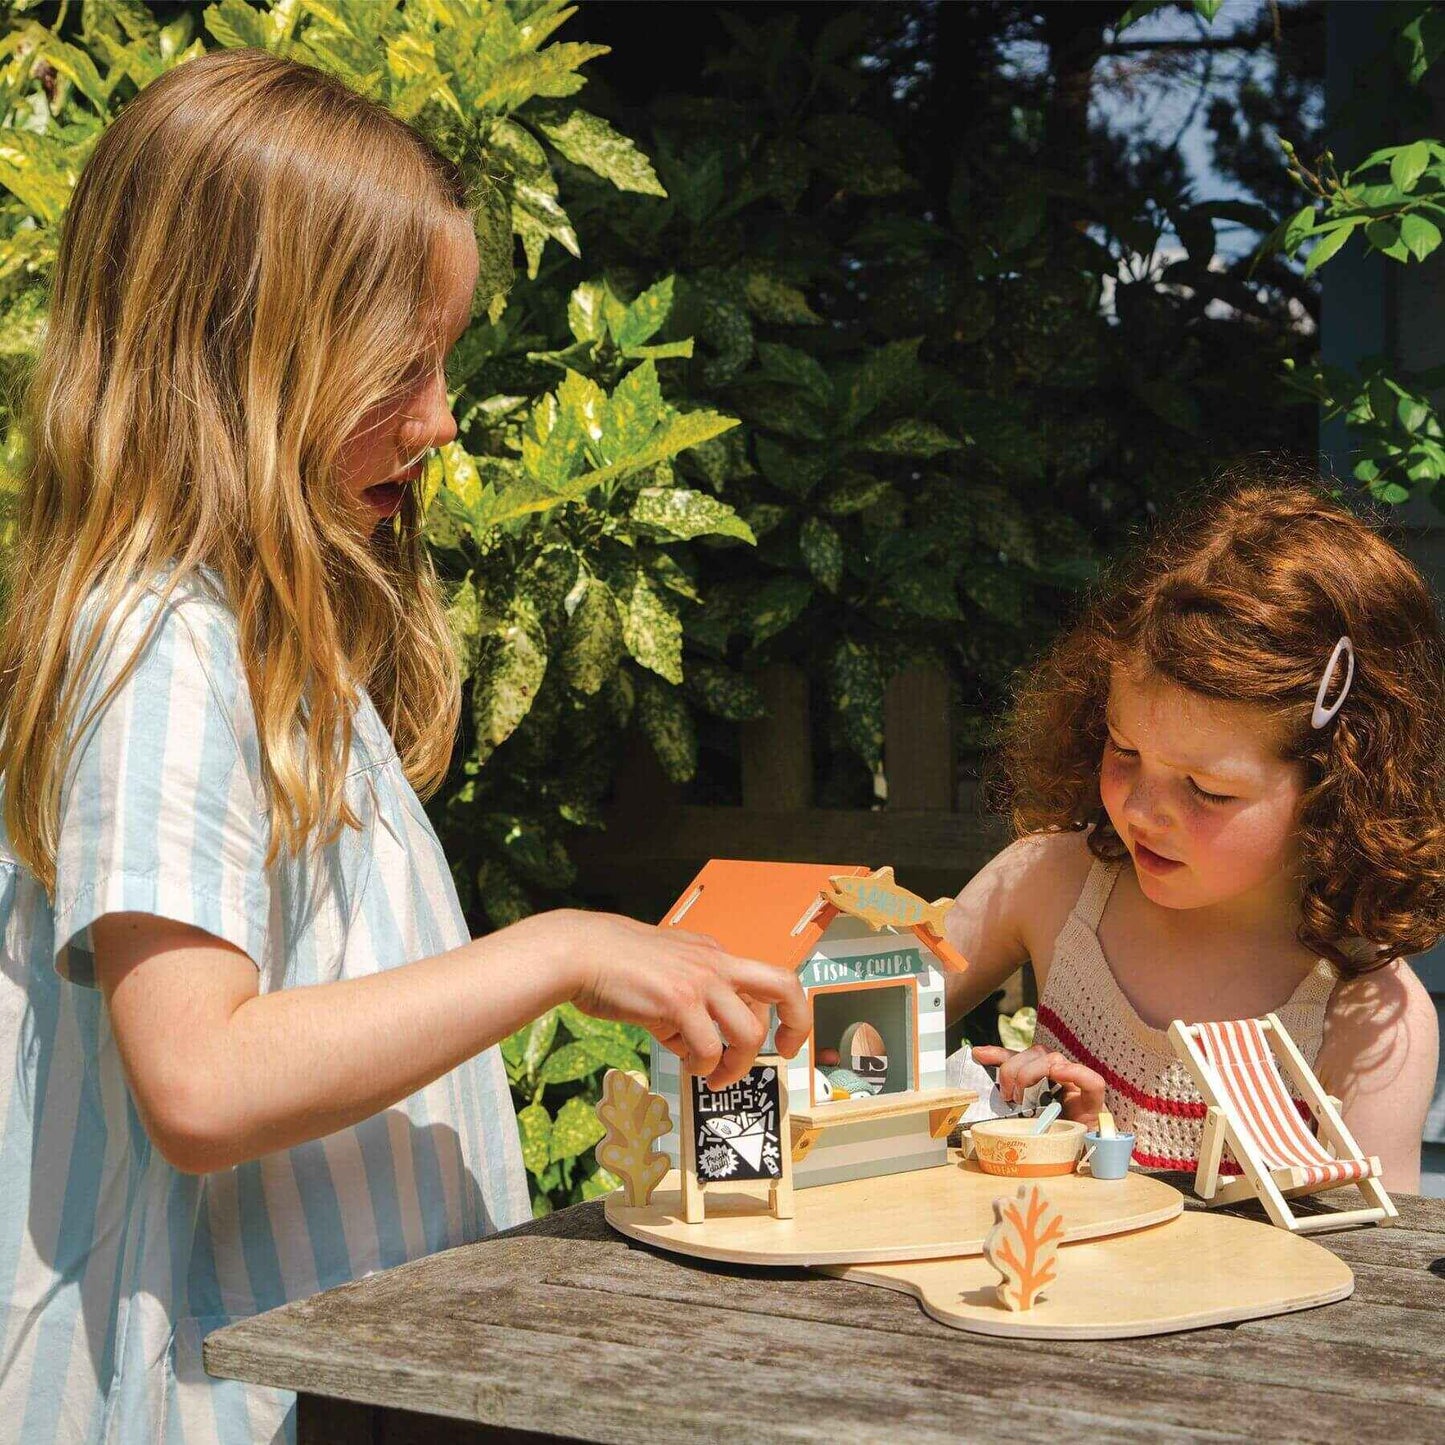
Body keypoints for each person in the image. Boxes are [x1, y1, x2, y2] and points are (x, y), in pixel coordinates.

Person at [0, 48, 807, 1444]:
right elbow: (200, 1079)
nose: (438, 420)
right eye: (401, 370)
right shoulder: (164, 649)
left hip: (334, 1369)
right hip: (239, 1397)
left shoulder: (254, 630)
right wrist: (554, 950)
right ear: (233, 356)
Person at [944, 478, 1442, 1194]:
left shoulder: (1364, 1019)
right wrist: (1043, 1133)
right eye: (1122, 749)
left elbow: (1366, 1273)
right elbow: (851, 1021)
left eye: (1205, 789)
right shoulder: (1048, 883)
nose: (1142, 808)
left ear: (1336, 789)